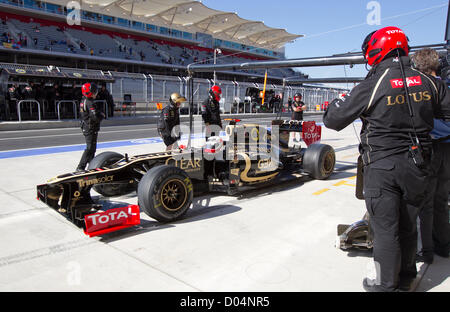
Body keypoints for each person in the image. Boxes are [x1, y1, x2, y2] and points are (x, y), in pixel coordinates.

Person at [323, 26, 449, 292]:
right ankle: (405, 277)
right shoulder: (429, 82)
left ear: (377, 49)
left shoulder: (372, 84)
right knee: (407, 225)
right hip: (419, 165)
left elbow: (333, 120)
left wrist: (337, 101)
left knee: (384, 231)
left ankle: (384, 284)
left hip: (383, 168)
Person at [412, 48, 450, 263]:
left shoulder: (424, 88)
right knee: (442, 199)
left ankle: (425, 251)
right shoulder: (445, 86)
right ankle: (443, 246)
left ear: (418, 66)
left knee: (425, 202)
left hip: (432, 149)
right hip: (447, 151)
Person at [76, 83, 105, 172]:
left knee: (92, 148)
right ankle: (80, 167)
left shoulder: (83, 100)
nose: (96, 93)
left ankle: (91, 164)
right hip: (90, 127)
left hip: (87, 126)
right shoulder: (89, 102)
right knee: (90, 148)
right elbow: (95, 116)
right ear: (90, 92)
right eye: (94, 92)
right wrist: (102, 115)